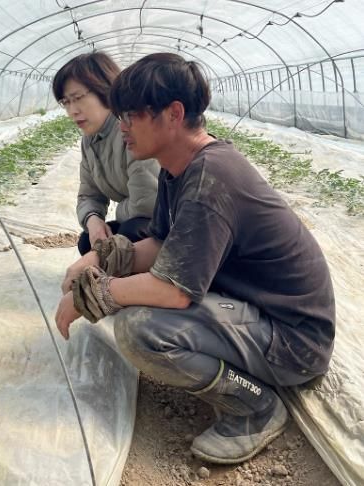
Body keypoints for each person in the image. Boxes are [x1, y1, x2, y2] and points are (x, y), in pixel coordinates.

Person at [54, 52, 335, 465]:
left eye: (131, 115)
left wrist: (94, 295)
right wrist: (99, 262)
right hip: (254, 309)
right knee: (130, 296)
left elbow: (174, 291)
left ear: (173, 114)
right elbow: (158, 245)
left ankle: (255, 408)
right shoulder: (177, 168)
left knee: (141, 329)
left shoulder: (210, 177)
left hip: (292, 343)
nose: (122, 125)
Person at [52, 52, 159, 255]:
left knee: (130, 233)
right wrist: (92, 219)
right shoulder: (89, 140)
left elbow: (147, 205)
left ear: (105, 90)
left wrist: (117, 212)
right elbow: (89, 194)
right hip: (137, 217)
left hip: (169, 224)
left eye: (78, 98)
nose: (72, 111)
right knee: (88, 241)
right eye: (66, 102)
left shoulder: (132, 131)